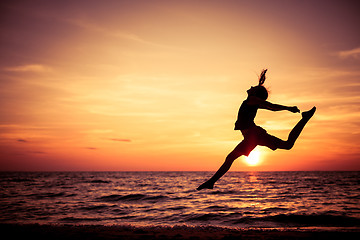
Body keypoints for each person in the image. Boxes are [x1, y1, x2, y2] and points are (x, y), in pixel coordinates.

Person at [197, 69, 316, 190]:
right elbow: (271, 107)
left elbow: (271, 106)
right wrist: (287, 108)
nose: (250, 86)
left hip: (254, 136)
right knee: (287, 144)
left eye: (253, 87)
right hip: (253, 137)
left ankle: (211, 182)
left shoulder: (252, 100)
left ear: (255, 93)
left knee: (230, 157)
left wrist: (288, 108)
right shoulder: (252, 101)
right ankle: (305, 118)